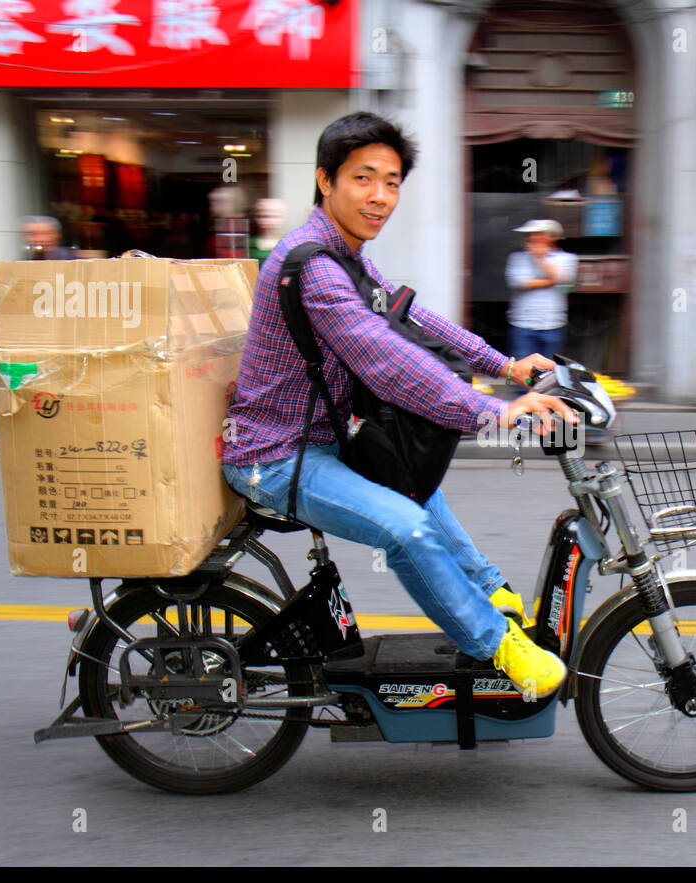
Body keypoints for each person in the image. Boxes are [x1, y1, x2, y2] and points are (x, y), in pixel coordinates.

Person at [221, 111, 576, 698]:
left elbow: (409, 316)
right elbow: (384, 356)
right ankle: (494, 644)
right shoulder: (313, 268)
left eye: (391, 182)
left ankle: (484, 586)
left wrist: (505, 366)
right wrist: (490, 411)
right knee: (407, 528)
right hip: (274, 455)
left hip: (322, 440)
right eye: (364, 179)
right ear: (325, 180)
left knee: (412, 479)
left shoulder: (345, 254)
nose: (380, 197)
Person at [505, 219, 577, 367]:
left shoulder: (566, 259)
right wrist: (552, 279)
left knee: (549, 375)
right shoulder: (517, 258)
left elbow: (565, 280)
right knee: (524, 373)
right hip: (522, 324)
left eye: (535, 234)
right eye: (529, 235)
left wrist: (540, 258)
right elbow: (521, 283)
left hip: (553, 325)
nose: (530, 238)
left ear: (551, 237)